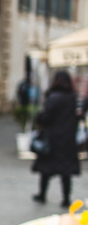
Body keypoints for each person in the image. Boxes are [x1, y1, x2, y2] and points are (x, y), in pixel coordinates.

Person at [32, 70, 80, 208]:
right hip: (68, 140)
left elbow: (46, 118)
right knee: (66, 172)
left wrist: (39, 118)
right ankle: (66, 198)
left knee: (45, 170)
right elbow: (78, 117)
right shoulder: (73, 98)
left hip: (52, 139)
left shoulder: (53, 97)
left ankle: (42, 194)